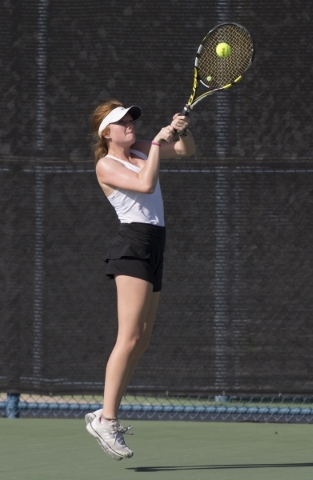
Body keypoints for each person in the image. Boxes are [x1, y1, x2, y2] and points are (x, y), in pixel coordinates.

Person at [85, 99, 196, 460]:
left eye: (131, 118)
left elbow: (188, 151)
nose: (130, 124)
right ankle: (107, 419)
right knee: (129, 336)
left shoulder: (139, 150)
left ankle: (106, 414)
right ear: (107, 132)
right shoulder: (106, 164)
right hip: (132, 245)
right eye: (122, 121)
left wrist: (180, 131)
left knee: (143, 338)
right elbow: (145, 186)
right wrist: (156, 144)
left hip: (156, 244)